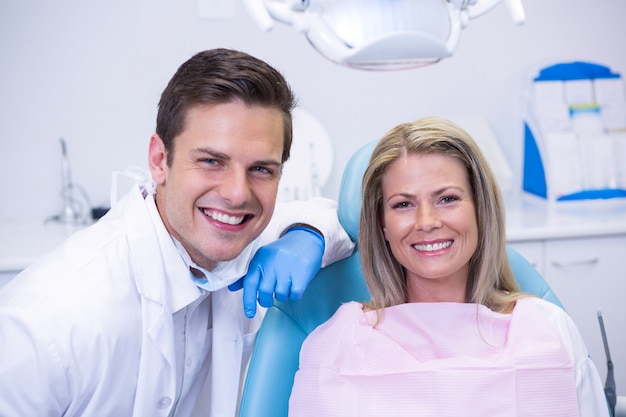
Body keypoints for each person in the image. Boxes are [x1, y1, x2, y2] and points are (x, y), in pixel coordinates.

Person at [0, 48, 354, 417]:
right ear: (159, 160)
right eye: (211, 161)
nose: (237, 193)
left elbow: (335, 218)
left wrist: (307, 235)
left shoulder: (240, 247)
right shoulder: (47, 325)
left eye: (261, 169)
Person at [289, 117, 609, 416]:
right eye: (403, 204)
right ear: (382, 225)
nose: (427, 222)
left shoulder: (549, 329)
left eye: (447, 199)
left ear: (480, 210)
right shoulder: (337, 345)